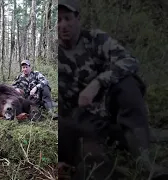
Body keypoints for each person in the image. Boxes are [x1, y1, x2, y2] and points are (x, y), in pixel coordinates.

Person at [58, 0, 168, 179]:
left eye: (67, 18)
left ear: (78, 18)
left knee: (127, 84)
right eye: (58, 20)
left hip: (111, 107)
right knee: (86, 149)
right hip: (83, 121)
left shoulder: (95, 39)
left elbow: (130, 61)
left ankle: (145, 161)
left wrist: (98, 83)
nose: (62, 25)